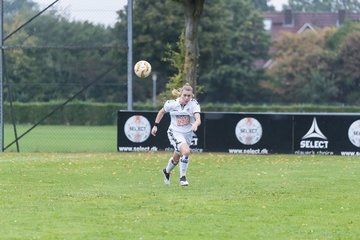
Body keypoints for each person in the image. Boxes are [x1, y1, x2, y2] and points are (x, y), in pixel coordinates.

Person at [151, 83, 201, 186]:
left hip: (187, 134)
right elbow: (161, 112)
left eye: (189, 96)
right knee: (186, 151)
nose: (187, 98)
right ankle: (182, 178)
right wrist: (155, 125)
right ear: (180, 94)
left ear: (191, 96)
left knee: (176, 158)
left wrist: (196, 123)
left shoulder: (194, 104)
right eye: (184, 95)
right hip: (174, 132)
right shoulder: (171, 104)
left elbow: (198, 119)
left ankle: (166, 171)